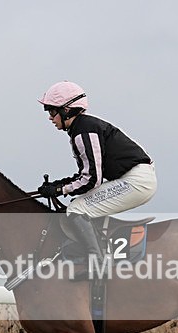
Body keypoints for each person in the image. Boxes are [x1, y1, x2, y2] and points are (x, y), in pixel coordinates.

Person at [37, 81, 157, 268]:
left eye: (52, 112)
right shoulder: (82, 128)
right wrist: (59, 185)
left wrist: (60, 189)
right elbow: (87, 175)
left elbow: (92, 180)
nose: (50, 118)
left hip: (136, 182)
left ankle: (98, 262)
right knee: (80, 204)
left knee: (76, 209)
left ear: (66, 110)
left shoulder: (84, 130)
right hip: (134, 178)